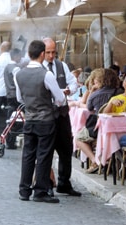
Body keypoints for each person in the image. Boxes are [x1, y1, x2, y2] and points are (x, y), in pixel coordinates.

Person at [15, 40, 64, 203]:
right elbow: (60, 98)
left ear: (29, 54)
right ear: (43, 54)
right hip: (46, 120)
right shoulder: (46, 74)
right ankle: (40, 191)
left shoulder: (19, 74)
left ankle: (24, 189)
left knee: (28, 154)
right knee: (43, 155)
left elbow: (19, 98)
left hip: (29, 118)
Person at [42, 37, 81, 197]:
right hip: (47, 114)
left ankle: (64, 182)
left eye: (53, 52)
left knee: (66, 148)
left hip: (62, 112)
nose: (51, 56)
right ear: (42, 52)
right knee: (47, 150)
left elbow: (73, 82)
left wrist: (68, 90)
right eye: (48, 52)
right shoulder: (39, 68)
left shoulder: (61, 65)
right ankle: (48, 183)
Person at [75, 68, 123, 173]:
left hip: (99, 127)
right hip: (117, 128)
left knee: (78, 138)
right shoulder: (120, 92)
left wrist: (91, 91)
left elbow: (89, 108)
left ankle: (94, 160)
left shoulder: (96, 95)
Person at [3, 48, 23, 149]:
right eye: (20, 56)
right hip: (16, 96)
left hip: (9, 95)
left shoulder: (7, 67)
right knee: (15, 119)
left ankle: (9, 141)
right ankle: (10, 141)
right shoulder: (15, 68)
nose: (21, 58)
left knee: (12, 118)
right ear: (16, 56)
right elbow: (19, 82)